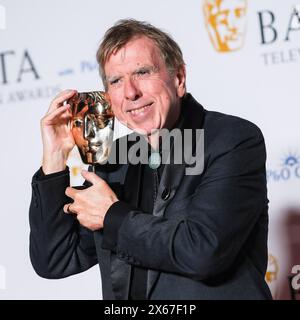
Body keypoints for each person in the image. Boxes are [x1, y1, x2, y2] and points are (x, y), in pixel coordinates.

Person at [29, 19, 272, 300]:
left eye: (142, 72)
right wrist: (55, 157)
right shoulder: (113, 158)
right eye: (116, 81)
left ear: (178, 78)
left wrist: (112, 216)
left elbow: (204, 251)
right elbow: (56, 259)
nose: (131, 92)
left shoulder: (232, 139)